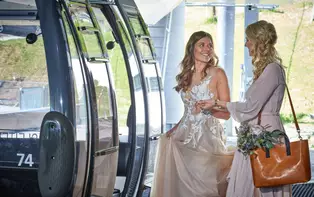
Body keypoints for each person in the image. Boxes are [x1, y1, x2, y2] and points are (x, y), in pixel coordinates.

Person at [197, 20, 291, 197]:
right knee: (253, 181)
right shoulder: (267, 69)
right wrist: (216, 104)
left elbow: (251, 107)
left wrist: (220, 103)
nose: (246, 43)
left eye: (248, 39)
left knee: (266, 180)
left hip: (266, 134)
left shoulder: (272, 69)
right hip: (257, 132)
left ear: (258, 40)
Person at [150, 31, 234, 197]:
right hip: (183, 136)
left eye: (210, 45)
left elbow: (227, 113)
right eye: (201, 45)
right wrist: (173, 130)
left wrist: (209, 109)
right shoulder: (186, 75)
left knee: (203, 186)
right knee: (181, 186)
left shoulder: (218, 73)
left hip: (207, 138)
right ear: (192, 49)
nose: (207, 49)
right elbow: (187, 112)